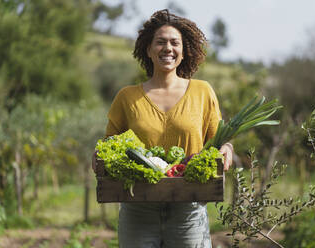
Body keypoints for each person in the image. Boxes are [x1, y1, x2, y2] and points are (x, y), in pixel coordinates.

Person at [94, 9, 233, 248]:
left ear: (183, 52)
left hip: (189, 207)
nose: (167, 48)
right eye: (160, 42)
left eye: (174, 43)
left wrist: (228, 149)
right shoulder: (127, 97)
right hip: (138, 208)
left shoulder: (202, 92)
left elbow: (218, 139)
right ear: (148, 50)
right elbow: (109, 143)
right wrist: (98, 156)